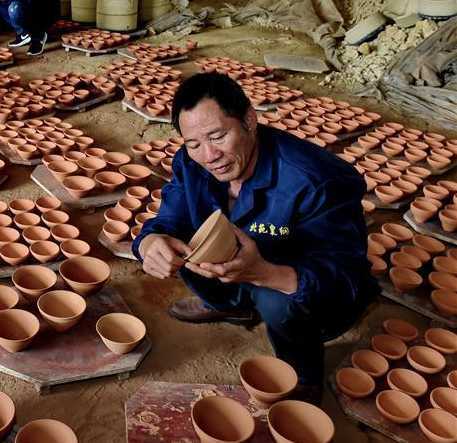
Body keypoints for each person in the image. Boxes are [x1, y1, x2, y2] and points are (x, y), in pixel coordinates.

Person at [133, 73, 379, 402]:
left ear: (250, 119)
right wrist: (150, 241)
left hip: (314, 293)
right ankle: (232, 305)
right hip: (243, 268)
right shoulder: (192, 163)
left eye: (218, 136)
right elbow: (171, 217)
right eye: (194, 144)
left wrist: (266, 274)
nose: (209, 156)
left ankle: (303, 373)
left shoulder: (317, 180)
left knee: (277, 300)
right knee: (187, 243)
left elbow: (347, 277)